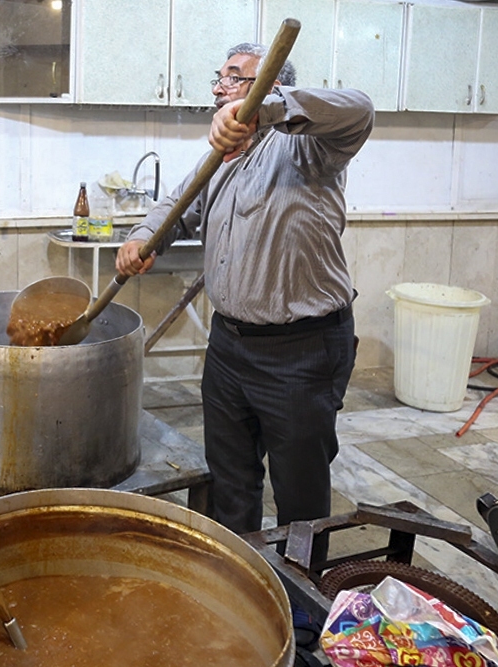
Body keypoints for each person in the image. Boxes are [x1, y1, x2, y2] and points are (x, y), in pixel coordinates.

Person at [116, 43, 374, 559]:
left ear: (273, 88)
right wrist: (141, 237)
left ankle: (304, 607)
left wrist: (268, 109)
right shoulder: (225, 158)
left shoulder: (309, 148)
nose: (219, 88)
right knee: (232, 482)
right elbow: (178, 203)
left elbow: (359, 109)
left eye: (235, 79)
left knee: (300, 492)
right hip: (230, 347)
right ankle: (238, 582)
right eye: (220, 78)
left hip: (301, 350)